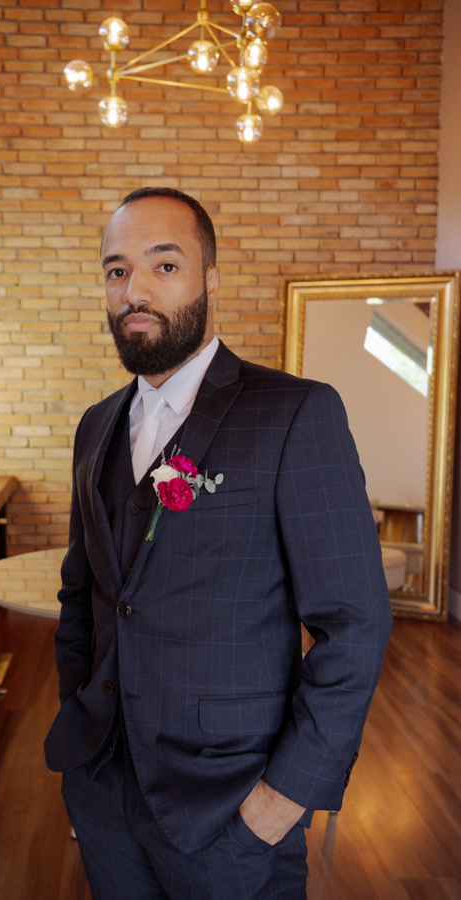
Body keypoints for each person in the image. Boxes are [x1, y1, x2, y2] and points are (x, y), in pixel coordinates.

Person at [45, 187, 392, 899]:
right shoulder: (94, 427)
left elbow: (354, 625)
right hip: (105, 794)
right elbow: (83, 595)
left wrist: (279, 804)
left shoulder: (294, 414)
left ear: (210, 278)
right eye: (116, 271)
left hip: (233, 809)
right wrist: (80, 741)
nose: (135, 290)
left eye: (163, 266)